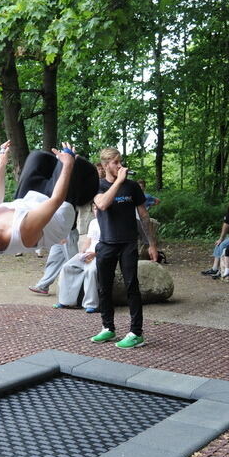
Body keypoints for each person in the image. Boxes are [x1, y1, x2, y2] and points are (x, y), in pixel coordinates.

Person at [0, 140, 98, 271]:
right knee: (72, 164)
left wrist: (2, 162)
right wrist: (68, 164)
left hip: (27, 203)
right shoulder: (22, 232)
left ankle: (59, 165)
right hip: (57, 213)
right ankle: (82, 190)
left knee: (37, 157)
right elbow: (56, 200)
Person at [90, 147, 158, 349]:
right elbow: (102, 204)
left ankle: (136, 333)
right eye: (115, 163)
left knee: (131, 286)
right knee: (104, 286)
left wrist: (152, 243)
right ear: (105, 165)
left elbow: (144, 215)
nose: (120, 166)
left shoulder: (132, 187)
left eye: (120, 161)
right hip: (106, 244)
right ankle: (107, 327)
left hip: (128, 242)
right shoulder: (97, 186)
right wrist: (118, 181)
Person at [54, 207, 100, 313]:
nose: (96, 211)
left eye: (98, 209)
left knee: (91, 270)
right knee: (67, 267)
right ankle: (66, 301)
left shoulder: (109, 223)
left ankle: (91, 304)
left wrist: (94, 254)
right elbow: (89, 240)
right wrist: (82, 253)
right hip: (87, 254)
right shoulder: (93, 222)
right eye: (94, 209)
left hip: (100, 255)